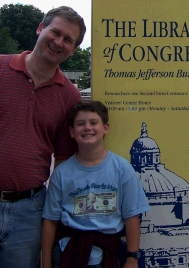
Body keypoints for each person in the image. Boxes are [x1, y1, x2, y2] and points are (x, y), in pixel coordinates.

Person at [0, 6, 86, 268]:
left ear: (73, 49)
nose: (59, 42)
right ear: (40, 28)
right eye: (55, 32)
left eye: (68, 40)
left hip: (30, 211)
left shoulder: (70, 96)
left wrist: (54, 211)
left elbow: (63, 158)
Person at [41, 100, 149, 268]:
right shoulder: (62, 173)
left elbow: (132, 216)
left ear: (105, 128)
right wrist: (46, 262)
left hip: (106, 256)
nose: (87, 128)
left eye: (93, 122)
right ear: (71, 131)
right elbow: (50, 220)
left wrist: (132, 258)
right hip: (68, 253)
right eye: (80, 124)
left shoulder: (122, 169)